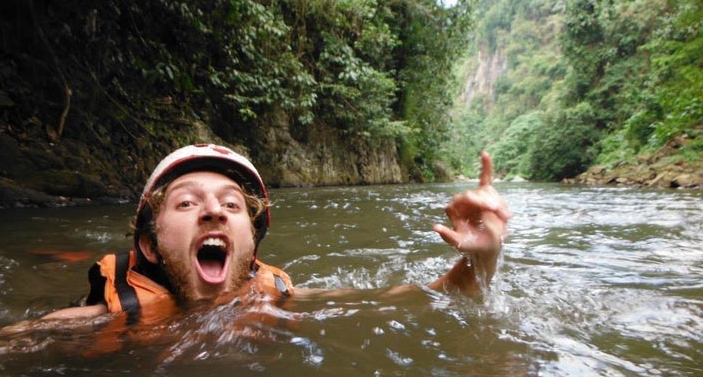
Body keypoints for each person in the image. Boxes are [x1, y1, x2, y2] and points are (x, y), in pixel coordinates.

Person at [40, 143, 510, 323]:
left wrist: (479, 262)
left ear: (251, 244)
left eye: (232, 205)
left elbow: (429, 296)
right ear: (149, 246)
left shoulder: (275, 295)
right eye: (187, 203)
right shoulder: (92, 324)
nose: (214, 213)